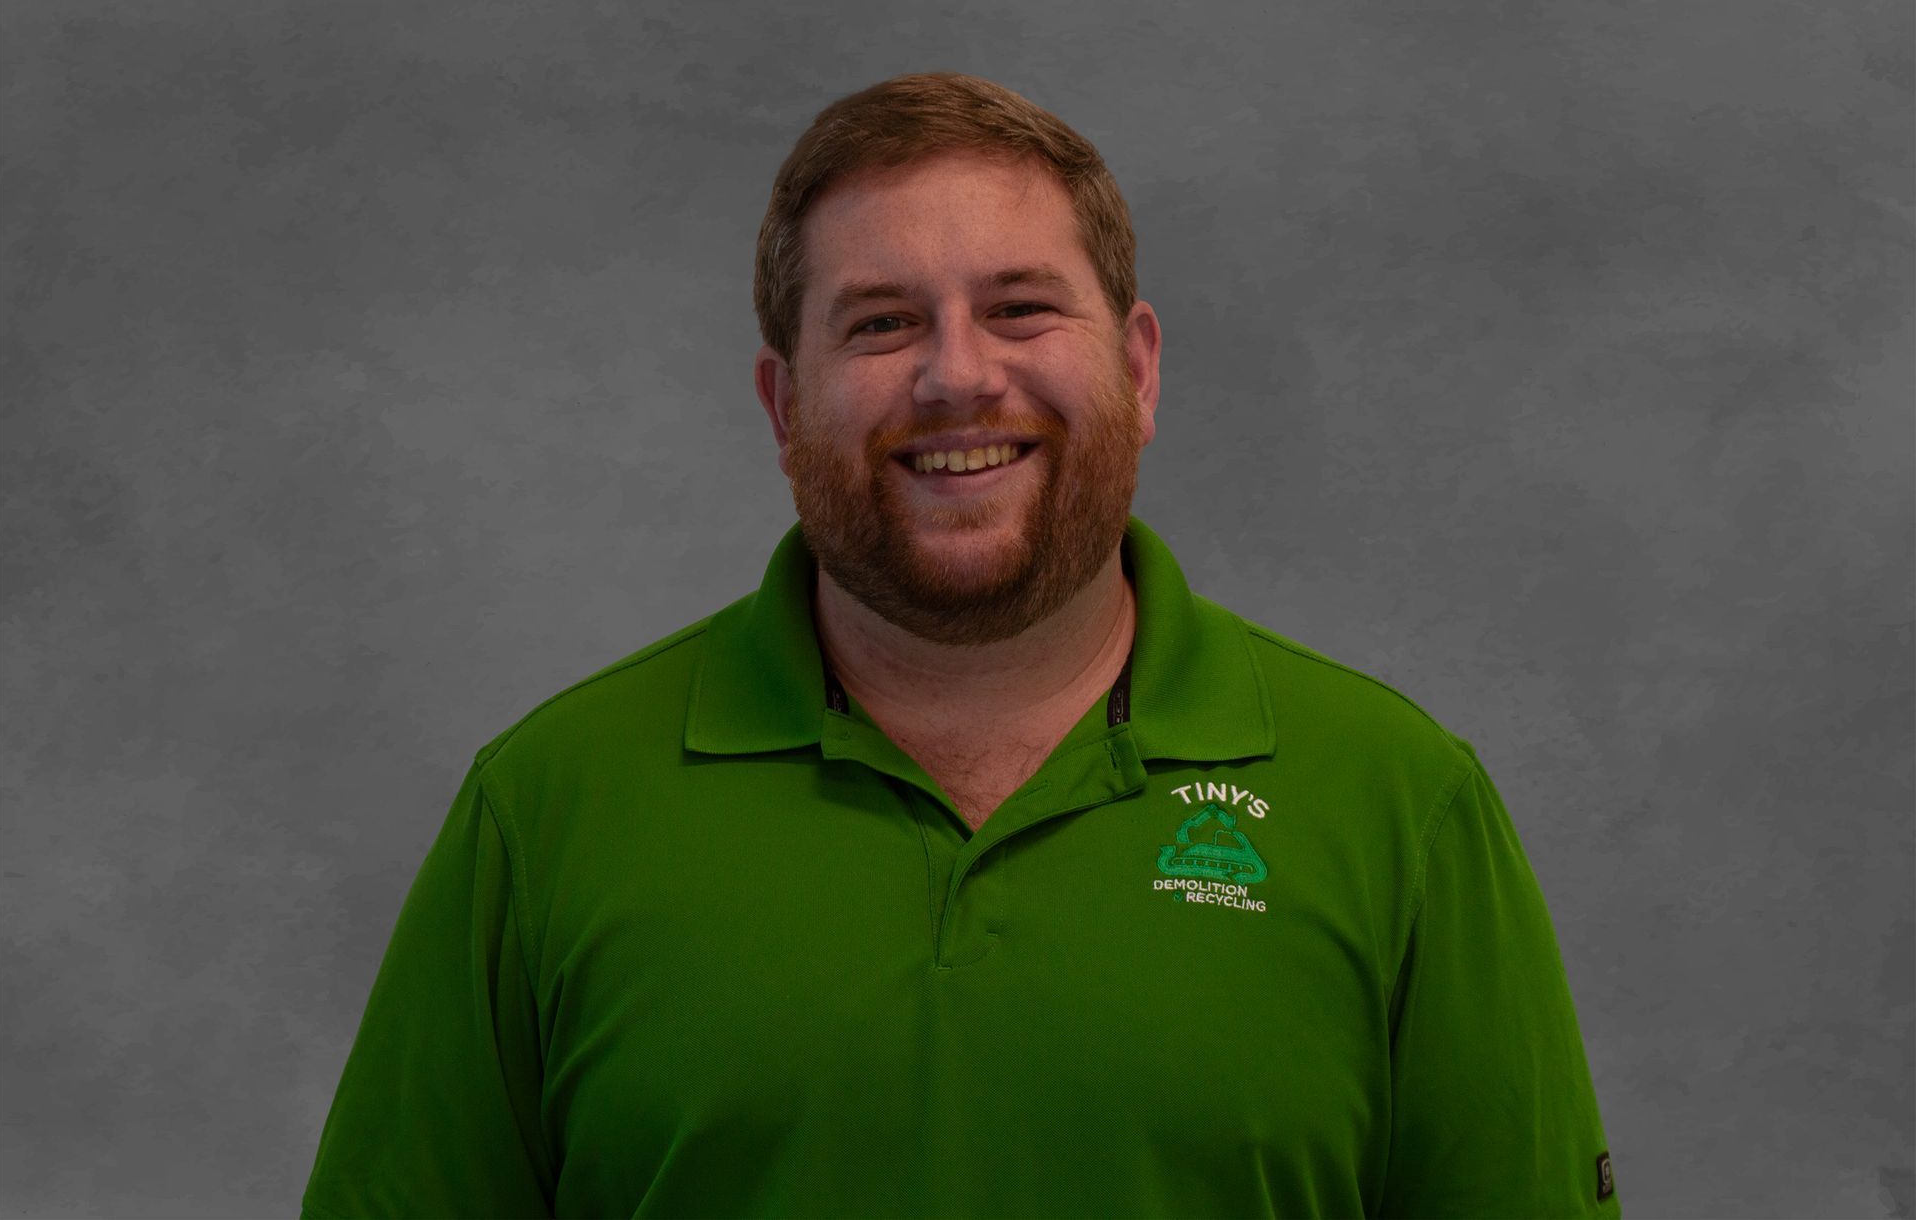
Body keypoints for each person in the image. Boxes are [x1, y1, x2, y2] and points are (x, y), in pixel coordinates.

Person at [301, 71, 1620, 1220]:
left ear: (1139, 372)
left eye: (1021, 308)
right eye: (880, 323)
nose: (956, 375)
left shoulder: (1399, 805)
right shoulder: (548, 812)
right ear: (783, 404)